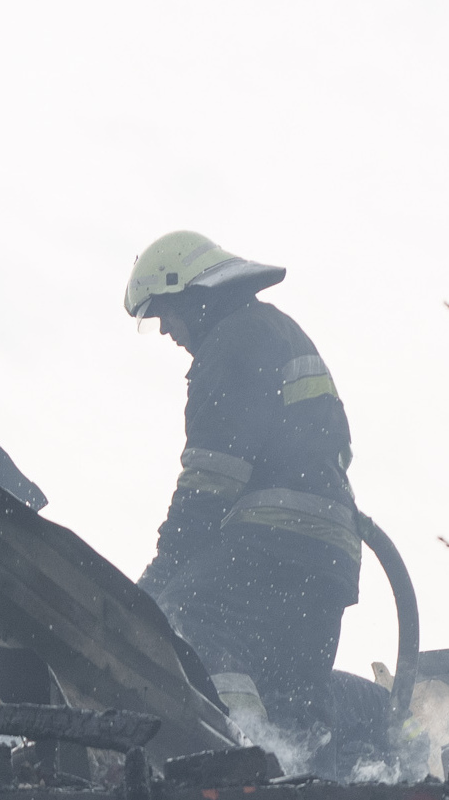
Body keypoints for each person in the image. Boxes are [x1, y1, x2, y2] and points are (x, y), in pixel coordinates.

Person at [120, 229, 363, 759]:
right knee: (291, 692)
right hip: (333, 555)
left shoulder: (233, 341)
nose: (166, 331)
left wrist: (159, 580)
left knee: (186, 619)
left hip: (275, 539)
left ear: (193, 294)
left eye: (166, 312)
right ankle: (304, 777)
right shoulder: (281, 331)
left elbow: (210, 479)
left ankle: (240, 756)